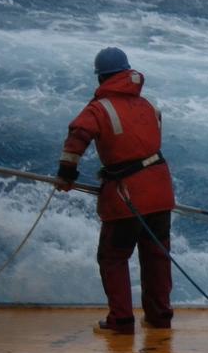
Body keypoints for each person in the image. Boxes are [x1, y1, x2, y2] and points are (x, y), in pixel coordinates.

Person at [55, 47, 176, 334]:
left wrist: (66, 176)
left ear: (101, 77)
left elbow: (77, 138)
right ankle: (160, 317)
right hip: (160, 191)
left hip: (126, 195)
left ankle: (121, 321)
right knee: (156, 256)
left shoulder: (99, 108)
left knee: (113, 257)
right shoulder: (148, 105)